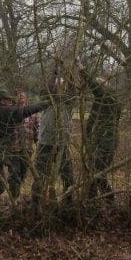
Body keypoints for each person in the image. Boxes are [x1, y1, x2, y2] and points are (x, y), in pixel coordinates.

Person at [0, 89, 51, 225]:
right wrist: (46, 103)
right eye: (8, 100)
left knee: (0, 187)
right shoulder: (1, 111)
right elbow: (23, 112)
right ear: (2, 101)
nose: (10, 102)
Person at [32, 63, 77, 205]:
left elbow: (72, 90)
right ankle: (36, 202)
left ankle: (68, 201)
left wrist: (70, 73)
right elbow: (47, 88)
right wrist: (55, 71)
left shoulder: (68, 102)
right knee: (40, 173)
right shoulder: (48, 100)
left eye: (62, 86)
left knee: (68, 174)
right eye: (58, 86)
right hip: (46, 141)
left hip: (62, 142)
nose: (60, 88)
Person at [79, 68, 122, 200]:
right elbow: (92, 119)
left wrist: (82, 70)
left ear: (105, 83)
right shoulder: (100, 101)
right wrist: (87, 137)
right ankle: (92, 200)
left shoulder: (109, 96)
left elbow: (95, 88)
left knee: (98, 172)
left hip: (107, 141)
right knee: (92, 171)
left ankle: (109, 199)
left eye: (99, 83)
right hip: (98, 139)